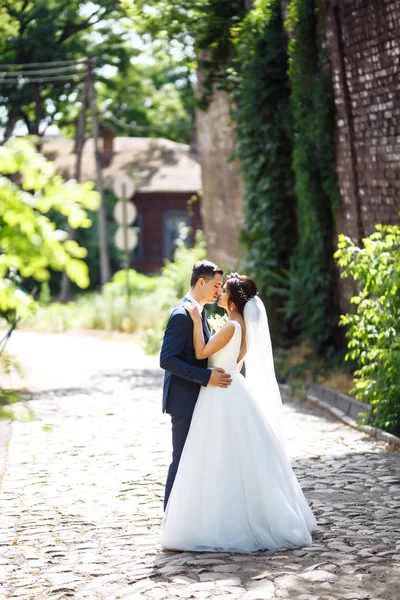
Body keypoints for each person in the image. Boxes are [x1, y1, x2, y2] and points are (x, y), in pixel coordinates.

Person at [161, 273, 317, 552]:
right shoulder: (243, 326)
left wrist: (197, 322)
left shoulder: (231, 326)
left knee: (216, 456)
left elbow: (200, 352)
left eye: (224, 291)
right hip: (233, 386)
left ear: (232, 302)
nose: (220, 293)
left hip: (219, 393)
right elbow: (237, 360)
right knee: (236, 455)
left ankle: (218, 518)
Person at [160, 260, 232, 510]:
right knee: (181, 459)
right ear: (201, 282)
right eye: (216, 285)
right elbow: (167, 359)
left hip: (197, 398)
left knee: (195, 460)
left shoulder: (198, 311)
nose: (218, 291)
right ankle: (171, 517)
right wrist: (206, 377)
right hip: (183, 400)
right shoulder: (182, 314)